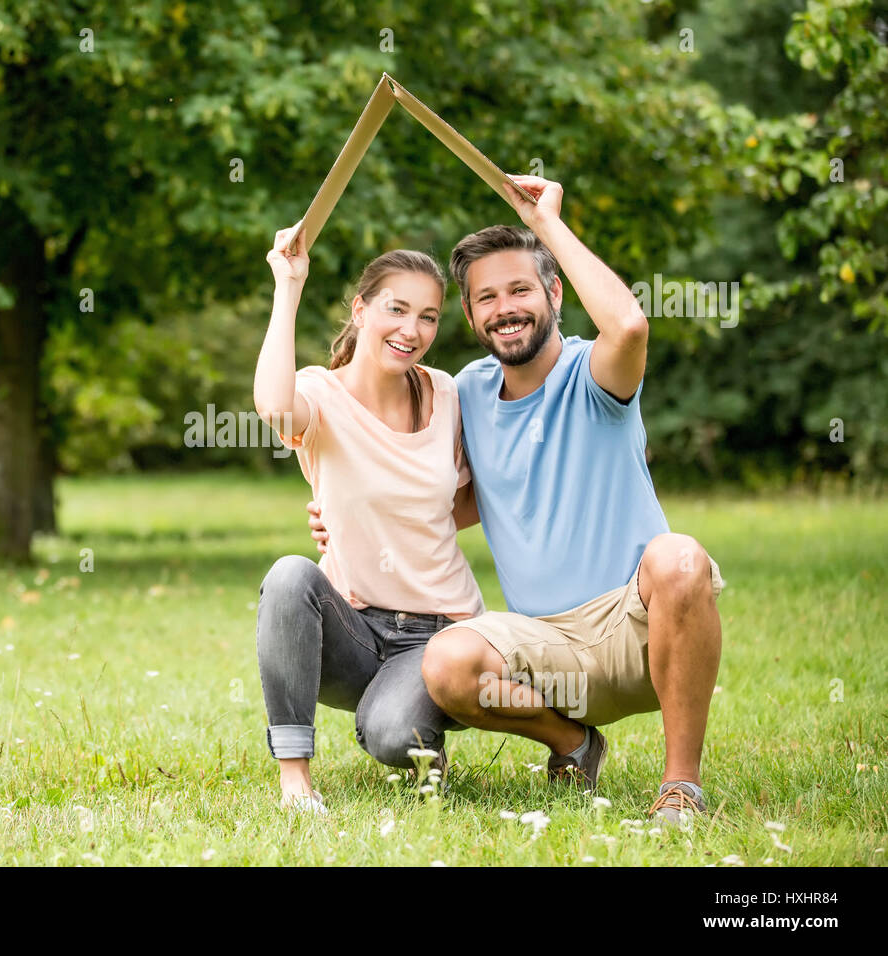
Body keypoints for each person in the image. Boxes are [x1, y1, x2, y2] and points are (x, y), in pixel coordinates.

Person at [308, 175, 726, 826]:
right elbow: (453, 501)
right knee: (445, 662)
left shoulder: (595, 375)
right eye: (486, 298)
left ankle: (680, 788)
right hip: (540, 647)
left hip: (634, 632)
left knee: (679, 559)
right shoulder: (467, 393)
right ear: (472, 317)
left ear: (553, 294)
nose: (505, 308)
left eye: (520, 290)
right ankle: (573, 744)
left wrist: (547, 224)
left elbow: (631, 325)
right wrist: (350, 521)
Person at [253, 220, 484, 814]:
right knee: (287, 576)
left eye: (429, 316)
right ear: (360, 310)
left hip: (439, 632)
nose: (412, 329)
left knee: (390, 738)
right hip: (353, 628)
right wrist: (289, 284)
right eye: (397, 309)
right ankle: (295, 781)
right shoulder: (319, 396)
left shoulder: (446, 394)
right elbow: (273, 406)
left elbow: (463, 502)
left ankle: (411, 722)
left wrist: (380, 525)